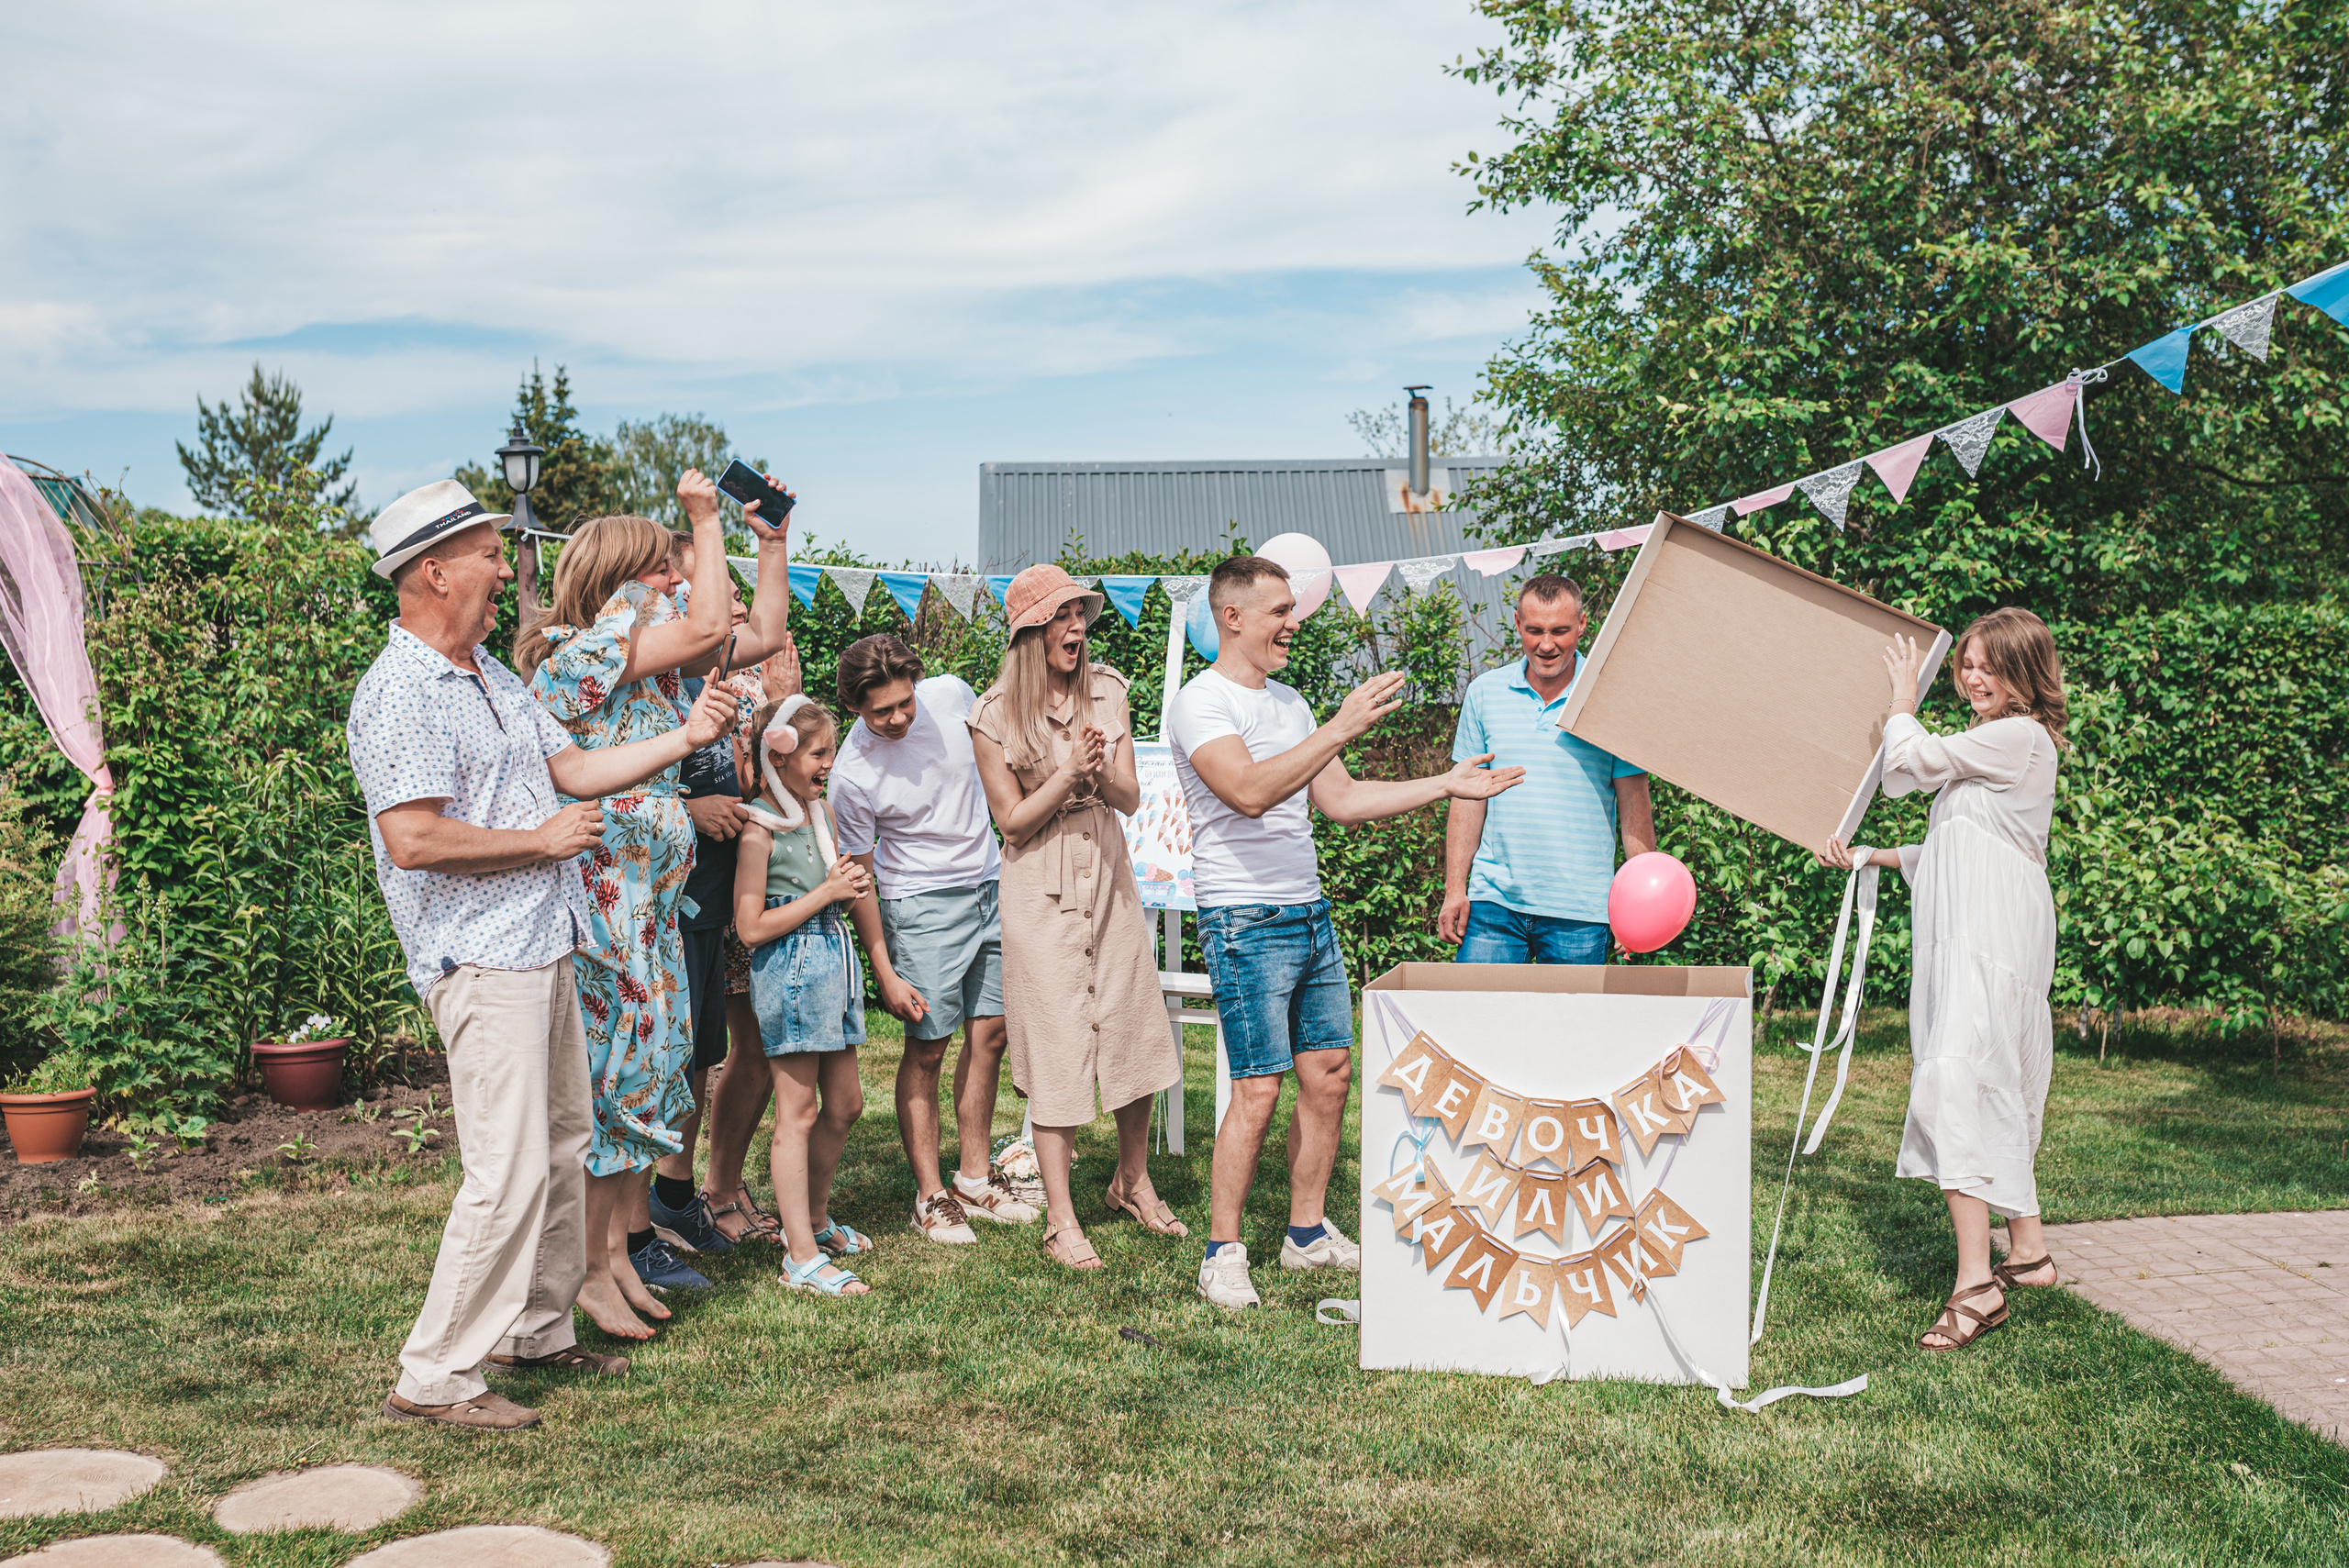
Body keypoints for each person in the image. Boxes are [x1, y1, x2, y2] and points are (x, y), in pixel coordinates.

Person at [350, 479, 741, 1431]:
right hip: (479, 960)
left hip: (546, 943)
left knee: (565, 1145)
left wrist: (684, 738)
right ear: (433, 572)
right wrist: (539, 841)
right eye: (488, 552)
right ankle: (435, 1374)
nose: (504, 566)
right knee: (509, 1165)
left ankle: (537, 1328)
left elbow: (569, 770)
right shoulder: (402, 689)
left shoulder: (493, 677)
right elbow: (412, 838)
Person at [1169, 554, 1525, 1310]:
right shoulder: (1200, 703)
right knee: (1258, 1088)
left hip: (1307, 911)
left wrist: (1447, 783)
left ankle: (1305, 1234)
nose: (1293, 622)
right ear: (1232, 616)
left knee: (1328, 1075)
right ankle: (1221, 1251)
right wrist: (1339, 725)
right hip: (1242, 918)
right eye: (1278, 610)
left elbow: (1341, 798)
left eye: (1293, 609)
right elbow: (1249, 792)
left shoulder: (1292, 705)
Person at [518, 470, 792, 1339]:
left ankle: (612, 1260)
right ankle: (592, 1268)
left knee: (653, 1074)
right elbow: (711, 623)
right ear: (615, 583)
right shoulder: (583, 655)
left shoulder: (646, 669)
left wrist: (770, 540)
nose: (678, 584)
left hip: (652, 906)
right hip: (608, 907)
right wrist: (704, 518)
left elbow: (761, 631)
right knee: (613, 1087)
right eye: (661, 574)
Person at [1821, 606, 2066, 1352]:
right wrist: (1875, 856)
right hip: (1980, 930)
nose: (1972, 676)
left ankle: (1976, 1283)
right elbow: (1953, 839)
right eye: (1967, 664)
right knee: (1998, 1074)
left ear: (2025, 672)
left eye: (1989, 665)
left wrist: (1902, 701)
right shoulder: (1994, 749)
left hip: (1991, 935)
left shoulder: (2018, 736)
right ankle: (2027, 1249)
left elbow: (1910, 767)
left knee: (1955, 1078)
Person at [968, 565, 1186, 1271]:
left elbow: (1127, 796)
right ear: (1031, 631)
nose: (1077, 629)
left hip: (1109, 876)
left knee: (1129, 1021)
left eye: (1081, 615)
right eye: (1063, 617)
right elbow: (1013, 822)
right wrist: (1066, 774)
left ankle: (1132, 1179)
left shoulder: (1110, 690)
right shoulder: (994, 712)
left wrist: (1099, 771)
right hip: (1039, 886)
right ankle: (1061, 1217)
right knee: (1058, 1037)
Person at [828, 634, 1040, 1242]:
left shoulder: (951, 697)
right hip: (919, 906)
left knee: (990, 1033)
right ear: (853, 708)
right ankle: (929, 1196)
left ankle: (974, 1178)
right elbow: (859, 878)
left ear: (918, 686)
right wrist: (885, 971)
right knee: (928, 1045)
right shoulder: (852, 774)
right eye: (879, 712)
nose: (895, 718)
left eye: (902, 704)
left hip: (991, 885)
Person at [651, 538, 801, 1255]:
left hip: (712, 889)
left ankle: (679, 1197)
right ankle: (652, 1208)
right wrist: (689, 812)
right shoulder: (634, 682)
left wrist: (774, 539)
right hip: (658, 899)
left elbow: (769, 636)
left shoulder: (717, 674)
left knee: (702, 1049)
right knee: (670, 1052)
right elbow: (586, 780)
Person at [734, 695, 877, 1294]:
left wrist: (846, 889)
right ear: (781, 755)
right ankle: (798, 1254)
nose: (829, 762)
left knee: (844, 1104)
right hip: (790, 971)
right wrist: (825, 896)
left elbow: (829, 887)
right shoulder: (758, 830)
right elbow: (750, 928)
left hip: (830, 964)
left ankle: (815, 1220)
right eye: (820, 752)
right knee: (798, 1113)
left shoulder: (819, 815)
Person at [1439, 573, 1654, 962]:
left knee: (1572, 1025)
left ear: (1583, 625)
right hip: (1493, 904)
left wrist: (1638, 904)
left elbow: (1635, 806)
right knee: (1476, 1021)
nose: (1547, 644)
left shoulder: (1611, 697)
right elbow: (1467, 800)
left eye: (1560, 630)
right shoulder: (1484, 693)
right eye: (1535, 630)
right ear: (1518, 623)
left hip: (1582, 909)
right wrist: (1456, 888)